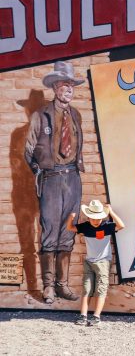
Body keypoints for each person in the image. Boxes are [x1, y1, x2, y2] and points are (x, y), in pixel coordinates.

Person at [24, 61, 85, 304]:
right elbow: (28, 150)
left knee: (68, 231)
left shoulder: (77, 115)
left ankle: (63, 285)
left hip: (73, 177)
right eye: (64, 85)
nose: (68, 90)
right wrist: (39, 171)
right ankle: (48, 286)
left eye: (71, 86)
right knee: (49, 231)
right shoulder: (41, 115)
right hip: (50, 178)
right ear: (55, 88)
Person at [66, 200, 125, 326]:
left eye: (98, 218)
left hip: (103, 262)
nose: (96, 221)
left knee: (100, 289)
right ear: (88, 217)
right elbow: (70, 228)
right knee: (86, 289)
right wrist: (71, 218)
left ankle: (96, 316)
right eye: (93, 218)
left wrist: (111, 211)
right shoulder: (85, 227)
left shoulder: (107, 226)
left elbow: (121, 225)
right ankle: (83, 316)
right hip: (89, 262)